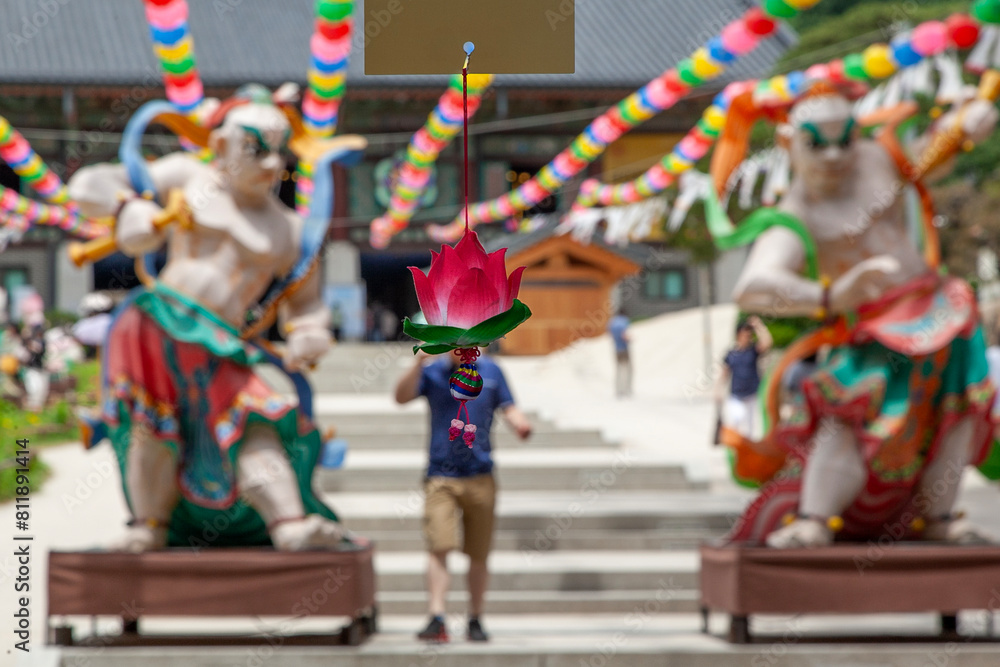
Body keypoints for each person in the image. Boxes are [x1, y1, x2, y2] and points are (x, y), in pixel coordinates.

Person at [67, 88, 356, 552]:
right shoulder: (187, 177)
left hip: (222, 342)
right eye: (255, 148)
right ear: (220, 145)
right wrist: (127, 208)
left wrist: (311, 332)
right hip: (157, 324)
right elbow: (86, 186)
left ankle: (289, 523)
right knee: (151, 422)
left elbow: (307, 304)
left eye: (278, 150)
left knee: (254, 420)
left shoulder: (289, 229)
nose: (270, 163)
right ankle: (149, 526)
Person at [712, 80, 998, 547]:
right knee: (845, 409)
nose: (833, 156)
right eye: (815, 144)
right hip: (871, 325)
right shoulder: (795, 210)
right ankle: (815, 517)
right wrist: (831, 295)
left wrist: (964, 127)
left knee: (959, 410)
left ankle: (942, 517)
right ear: (788, 142)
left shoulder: (878, 158)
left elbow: (930, 158)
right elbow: (753, 288)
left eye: (844, 138)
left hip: (939, 304)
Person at [394, 347, 532, 643]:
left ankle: (476, 618)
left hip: (481, 475)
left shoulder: (492, 371)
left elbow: (509, 405)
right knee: (439, 546)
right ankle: (437, 616)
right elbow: (401, 397)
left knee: (479, 554)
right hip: (440, 476)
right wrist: (417, 364)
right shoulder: (432, 371)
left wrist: (520, 423)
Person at [715, 316, 772, 440]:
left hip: (751, 395)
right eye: (745, 334)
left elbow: (767, 342)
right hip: (736, 395)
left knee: (750, 429)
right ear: (738, 335)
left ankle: (746, 454)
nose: (748, 337)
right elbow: (724, 373)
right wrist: (718, 391)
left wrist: (758, 325)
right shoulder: (731, 354)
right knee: (736, 421)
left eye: (749, 334)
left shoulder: (753, 351)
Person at [20, 324, 49, 412]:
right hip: (31, 370)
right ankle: (33, 409)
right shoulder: (27, 344)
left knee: (41, 390)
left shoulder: (42, 342)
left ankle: (37, 409)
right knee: (34, 389)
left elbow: (39, 351)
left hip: (40, 370)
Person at [607, 310, 631, 398]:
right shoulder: (624, 321)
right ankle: (626, 389)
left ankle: (618, 389)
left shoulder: (612, 322)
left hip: (616, 348)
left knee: (618, 369)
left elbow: (609, 334)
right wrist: (629, 339)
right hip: (624, 348)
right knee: (626, 369)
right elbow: (624, 335)